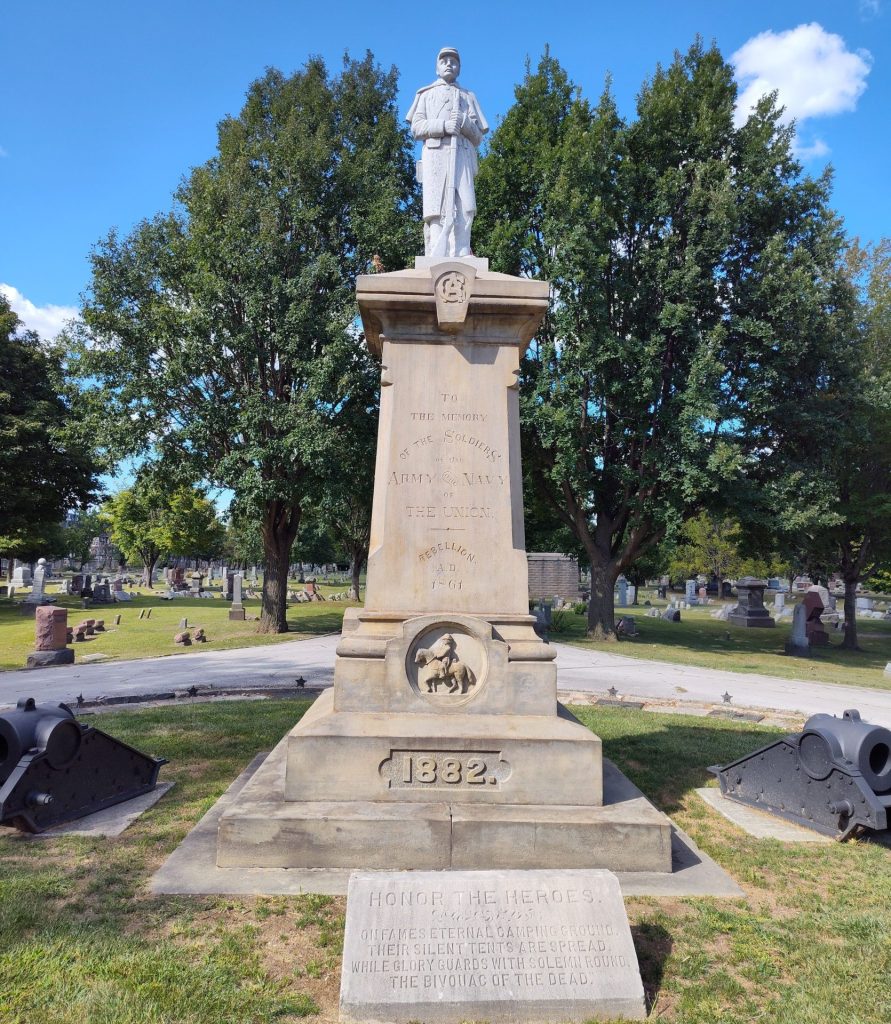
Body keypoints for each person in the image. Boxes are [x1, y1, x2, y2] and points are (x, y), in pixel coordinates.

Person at [406, 47, 488, 257]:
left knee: (465, 207)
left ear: (459, 68)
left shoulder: (468, 97)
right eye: (444, 61)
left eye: (454, 61)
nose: (449, 64)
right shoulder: (425, 95)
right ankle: (437, 252)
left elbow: (478, 136)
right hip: (436, 157)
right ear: (437, 68)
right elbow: (416, 128)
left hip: (462, 155)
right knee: (437, 209)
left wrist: (463, 123)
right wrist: (443, 126)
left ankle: (461, 250)